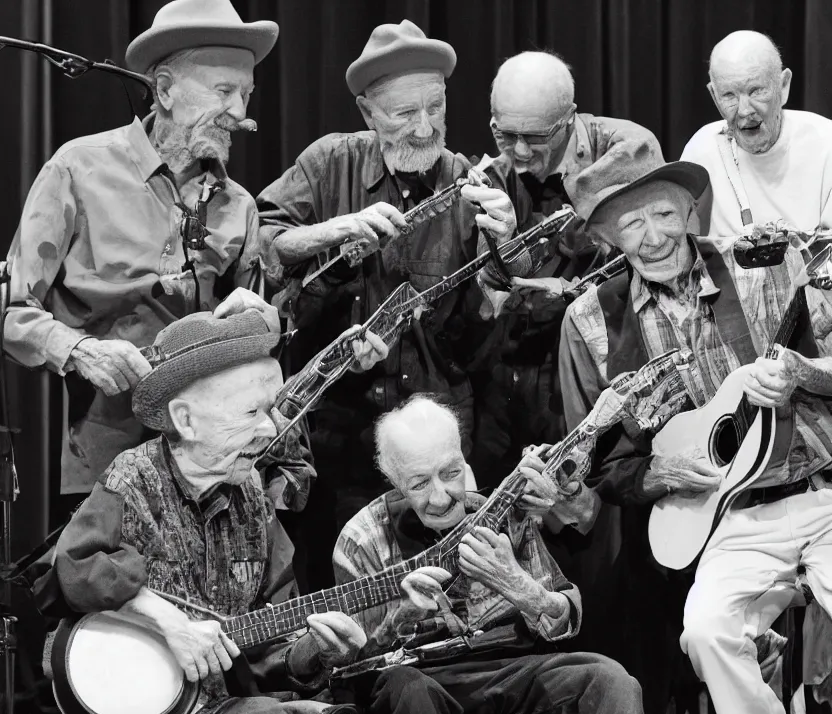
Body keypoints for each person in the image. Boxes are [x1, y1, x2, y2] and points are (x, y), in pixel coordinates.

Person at [559, 142, 832, 714]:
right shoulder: (590, 320)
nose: (650, 236)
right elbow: (588, 460)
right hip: (718, 522)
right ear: (603, 236)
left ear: (688, 209)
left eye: (661, 213)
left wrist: (802, 371)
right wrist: (659, 470)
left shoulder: (761, 267)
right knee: (704, 630)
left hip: (819, 491)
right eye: (628, 225)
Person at [36, 309, 372, 714]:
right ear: (187, 420)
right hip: (146, 705)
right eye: (252, 413)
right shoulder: (134, 478)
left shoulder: (254, 496)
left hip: (228, 705)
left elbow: (272, 631)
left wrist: (316, 649)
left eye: (273, 410)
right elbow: (73, 566)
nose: (271, 430)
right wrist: (167, 622)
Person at [257, 20, 519, 587]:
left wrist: (506, 245)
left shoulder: (469, 180)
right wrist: (338, 228)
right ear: (367, 112)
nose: (425, 127)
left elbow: (499, 304)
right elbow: (266, 242)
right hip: (339, 434)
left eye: (436, 107)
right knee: (340, 594)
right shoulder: (330, 162)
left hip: (435, 439)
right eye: (404, 114)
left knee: (444, 592)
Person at [3, 0, 283, 514]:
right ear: (166, 89)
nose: (242, 114)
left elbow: (259, 341)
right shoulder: (77, 169)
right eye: (223, 91)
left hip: (211, 468)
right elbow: (11, 310)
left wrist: (262, 321)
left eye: (246, 94)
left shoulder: (239, 204)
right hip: (101, 464)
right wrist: (81, 350)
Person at [332, 395, 645, 714]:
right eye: (420, 483)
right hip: (424, 683)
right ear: (393, 479)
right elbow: (352, 667)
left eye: (451, 473)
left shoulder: (498, 512)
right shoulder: (362, 540)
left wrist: (520, 587)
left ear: (464, 455)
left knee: (613, 682)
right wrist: (401, 617)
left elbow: (566, 613)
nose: (441, 497)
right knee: (404, 687)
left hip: (509, 669)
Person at [470, 50, 662, 488]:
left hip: (597, 376)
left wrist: (515, 263)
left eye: (536, 137)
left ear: (569, 117)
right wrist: (498, 249)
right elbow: (492, 295)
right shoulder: (496, 175)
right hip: (512, 380)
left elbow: (606, 279)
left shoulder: (627, 150)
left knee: (585, 529)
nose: (519, 152)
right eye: (505, 134)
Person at [680, 29, 832, 351]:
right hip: (729, 325)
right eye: (729, 96)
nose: (745, 110)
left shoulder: (825, 144)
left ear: (784, 85)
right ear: (713, 95)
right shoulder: (701, 151)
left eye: (756, 90)